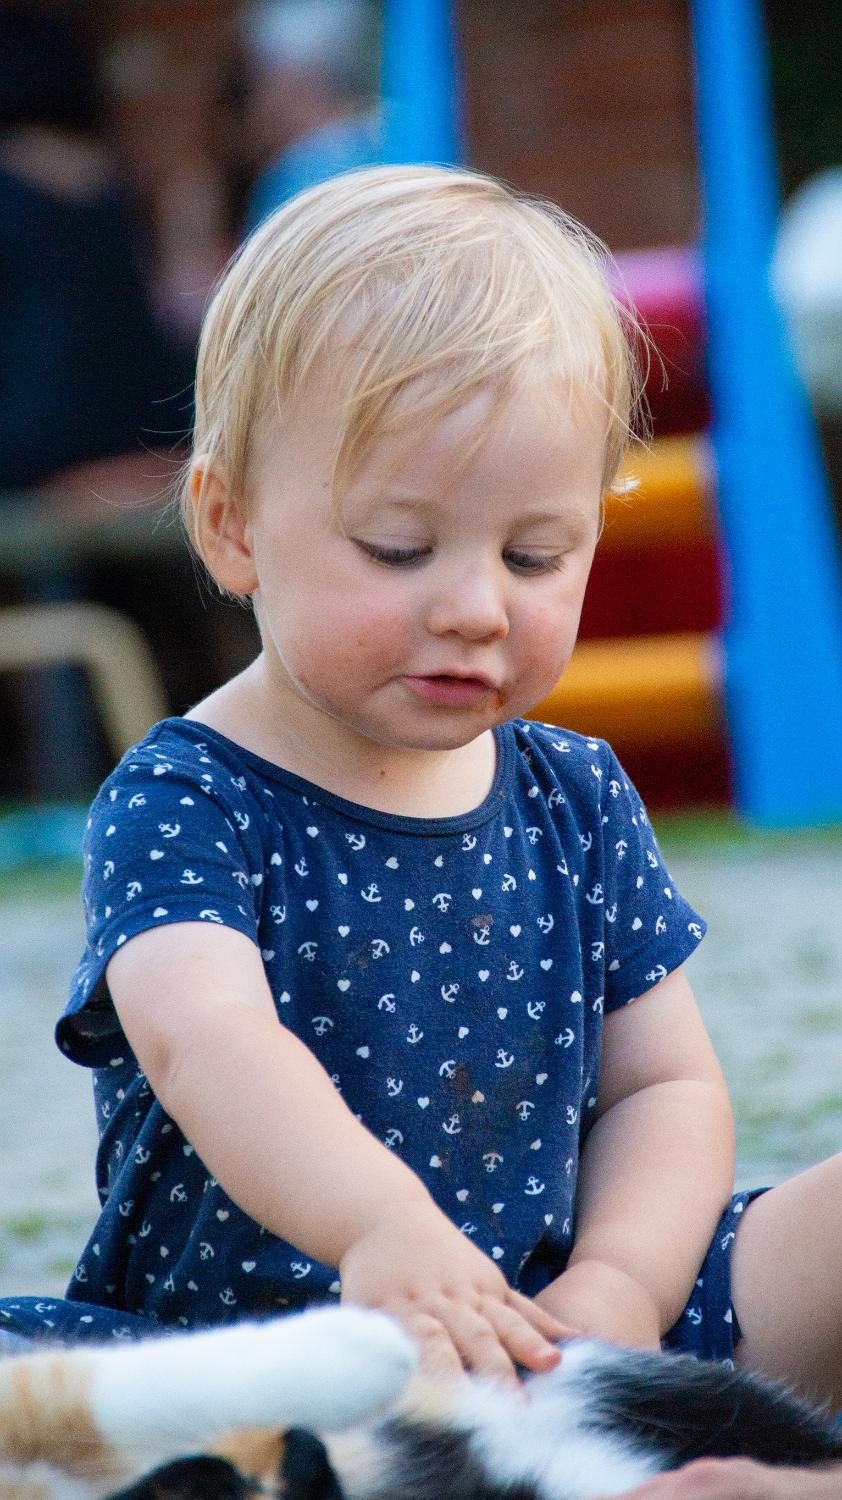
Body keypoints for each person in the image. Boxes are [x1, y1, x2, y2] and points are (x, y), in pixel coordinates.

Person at [3, 168, 842, 1473]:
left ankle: (633, 1448)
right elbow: (205, 1039)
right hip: (273, 1361)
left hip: (556, 1334)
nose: (473, 608)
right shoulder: (187, 799)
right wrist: (380, 1231)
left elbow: (664, 1087)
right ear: (231, 527)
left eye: (533, 555)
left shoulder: (574, 792)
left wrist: (619, 1284)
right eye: (399, 549)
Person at [239, 0, 381, 233]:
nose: (258, 99)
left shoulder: (299, 175)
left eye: (261, 79)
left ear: (293, 80)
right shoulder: (392, 137)